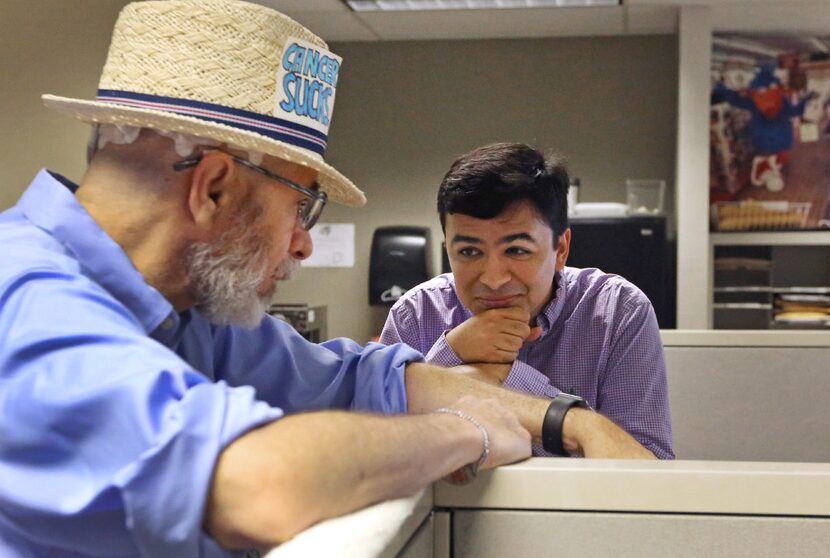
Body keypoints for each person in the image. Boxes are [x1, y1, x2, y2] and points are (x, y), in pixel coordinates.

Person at [0, 3, 653, 556]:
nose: (306, 242)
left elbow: (370, 380)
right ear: (216, 187)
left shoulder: (181, 310)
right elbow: (258, 486)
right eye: (303, 206)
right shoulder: (27, 303)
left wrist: (565, 422)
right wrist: (463, 432)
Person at [380, 143, 674, 459]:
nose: (493, 279)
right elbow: (378, 457)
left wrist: (505, 378)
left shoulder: (618, 312)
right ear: (447, 249)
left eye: (517, 250)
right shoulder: (416, 315)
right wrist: (451, 353)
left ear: (561, 249)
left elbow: (649, 467)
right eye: (468, 252)